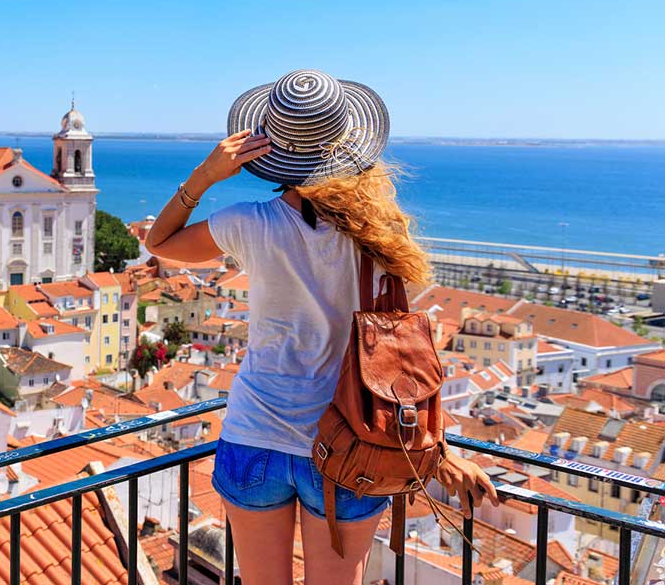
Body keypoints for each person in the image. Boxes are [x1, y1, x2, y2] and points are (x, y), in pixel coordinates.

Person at [144, 70, 497, 585]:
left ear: (272, 150)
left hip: (255, 435)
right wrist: (437, 449)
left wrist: (207, 173)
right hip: (350, 441)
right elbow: (403, 353)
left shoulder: (249, 223)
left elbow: (160, 242)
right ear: (350, 146)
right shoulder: (382, 237)